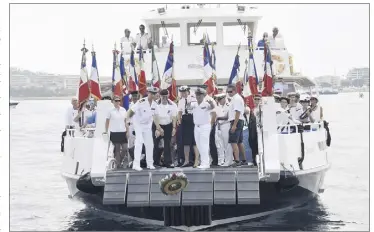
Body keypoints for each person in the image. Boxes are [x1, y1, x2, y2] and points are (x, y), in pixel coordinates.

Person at [127, 87, 162, 171]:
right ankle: (136, 164)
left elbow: (156, 117)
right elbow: (131, 111)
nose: (153, 95)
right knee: (139, 143)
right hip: (138, 124)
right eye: (152, 93)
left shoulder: (155, 104)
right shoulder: (141, 102)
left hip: (147, 126)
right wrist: (127, 121)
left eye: (155, 93)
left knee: (150, 144)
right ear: (148, 93)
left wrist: (158, 128)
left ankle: (150, 164)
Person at [190, 87, 215, 169]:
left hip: (205, 126)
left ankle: (205, 163)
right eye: (197, 95)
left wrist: (211, 103)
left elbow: (212, 107)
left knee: (204, 144)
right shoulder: (194, 104)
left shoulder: (206, 103)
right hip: (196, 126)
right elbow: (187, 107)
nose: (198, 96)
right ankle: (205, 161)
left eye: (200, 95)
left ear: (204, 95)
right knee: (199, 144)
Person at [153, 89, 178, 168]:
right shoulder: (155, 104)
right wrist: (158, 128)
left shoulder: (173, 104)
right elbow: (154, 117)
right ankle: (155, 162)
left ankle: (168, 162)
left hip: (168, 125)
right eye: (162, 96)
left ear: (168, 95)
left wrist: (174, 128)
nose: (164, 98)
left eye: (165, 96)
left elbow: (174, 117)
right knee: (156, 144)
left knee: (168, 144)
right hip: (157, 124)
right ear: (160, 96)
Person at [177, 85, 199, 167]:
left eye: (184, 92)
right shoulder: (180, 101)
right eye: (181, 92)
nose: (183, 93)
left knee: (194, 141)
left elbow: (196, 110)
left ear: (188, 91)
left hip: (192, 119)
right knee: (185, 142)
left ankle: (196, 161)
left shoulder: (194, 98)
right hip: (184, 120)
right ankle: (186, 160)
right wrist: (179, 120)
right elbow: (179, 111)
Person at [226, 84, 248, 167]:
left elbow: (238, 112)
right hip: (238, 121)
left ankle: (237, 160)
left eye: (230, 91)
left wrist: (234, 125)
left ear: (235, 90)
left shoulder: (237, 99)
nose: (229, 93)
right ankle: (244, 160)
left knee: (233, 142)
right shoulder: (235, 98)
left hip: (236, 121)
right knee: (239, 142)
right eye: (228, 92)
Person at [103, 95, 128, 168]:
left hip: (123, 132)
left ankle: (119, 161)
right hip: (114, 132)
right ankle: (118, 165)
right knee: (117, 149)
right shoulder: (110, 111)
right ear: (113, 102)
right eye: (116, 101)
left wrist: (127, 130)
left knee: (125, 148)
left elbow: (125, 121)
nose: (117, 102)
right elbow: (107, 122)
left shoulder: (123, 110)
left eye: (119, 100)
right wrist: (106, 131)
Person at [214, 93, 232, 166]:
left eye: (220, 99)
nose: (218, 101)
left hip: (226, 125)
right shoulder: (218, 106)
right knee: (220, 145)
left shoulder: (228, 106)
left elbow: (227, 117)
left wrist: (217, 118)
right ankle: (223, 160)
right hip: (219, 126)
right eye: (218, 99)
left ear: (224, 98)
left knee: (227, 144)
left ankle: (228, 161)